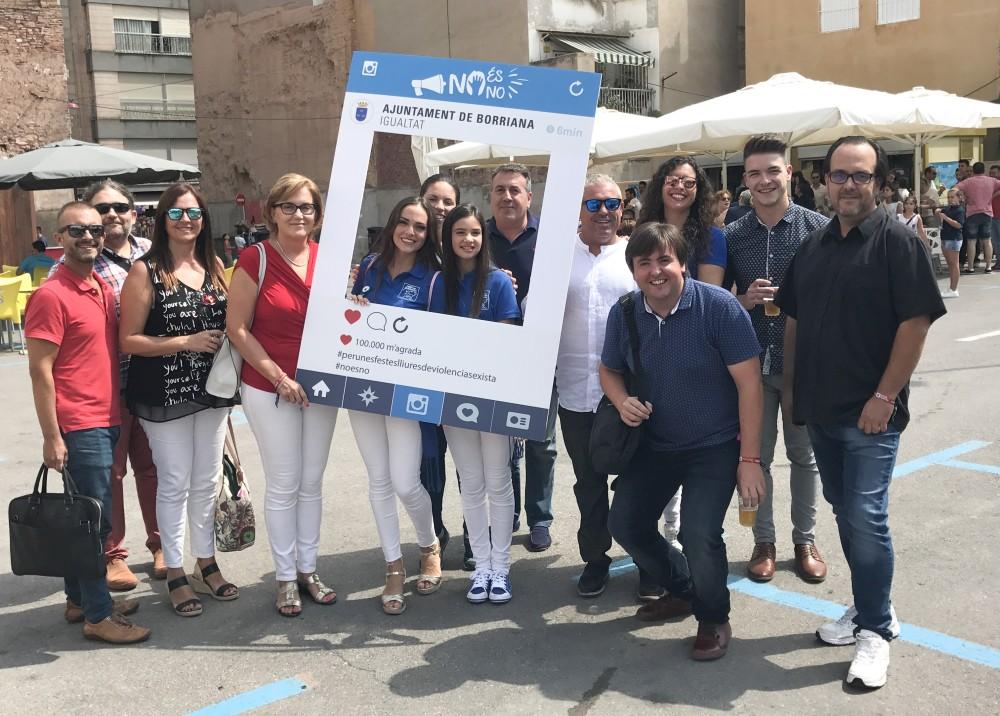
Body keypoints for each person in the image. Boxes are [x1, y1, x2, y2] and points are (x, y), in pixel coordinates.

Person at [777, 136, 946, 688]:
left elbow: (915, 322)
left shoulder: (898, 242)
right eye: (840, 175)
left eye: (861, 175)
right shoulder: (814, 245)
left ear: (879, 182)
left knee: (866, 518)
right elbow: (794, 321)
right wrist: (793, 392)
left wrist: (884, 397)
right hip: (821, 410)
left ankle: (875, 631)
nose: (849, 185)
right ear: (824, 181)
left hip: (871, 413)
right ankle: (870, 604)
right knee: (846, 512)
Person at [603, 222, 765, 662]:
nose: (655, 271)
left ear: (682, 265)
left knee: (698, 533)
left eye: (664, 260)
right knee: (626, 523)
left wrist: (750, 459)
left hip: (714, 444)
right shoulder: (625, 312)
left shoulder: (718, 307)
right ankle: (683, 589)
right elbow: (609, 369)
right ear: (633, 271)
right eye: (644, 263)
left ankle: (713, 617)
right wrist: (620, 400)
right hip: (655, 445)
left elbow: (750, 384)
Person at [25, 201, 150, 643]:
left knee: (82, 517)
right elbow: (40, 370)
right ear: (58, 237)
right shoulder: (51, 294)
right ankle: (99, 615)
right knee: (94, 524)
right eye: (76, 231)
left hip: (108, 414)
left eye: (95, 230)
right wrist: (51, 436)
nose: (89, 238)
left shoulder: (98, 285)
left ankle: (79, 599)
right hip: (81, 423)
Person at [119, 183, 239, 618]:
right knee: (173, 480)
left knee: (207, 479)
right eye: (176, 213)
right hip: (164, 391)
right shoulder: (145, 271)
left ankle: (206, 562)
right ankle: (174, 570)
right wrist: (185, 341)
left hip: (213, 389)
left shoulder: (215, 265)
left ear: (204, 220)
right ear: (162, 220)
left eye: (193, 213)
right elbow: (128, 339)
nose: (186, 220)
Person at [227, 174, 339, 618]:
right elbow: (237, 329)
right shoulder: (254, 258)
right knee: (284, 482)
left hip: (321, 387)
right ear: (272, 212)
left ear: (317, 214)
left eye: (307, 207)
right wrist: (278, 378)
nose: (298, 214)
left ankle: (308, 569)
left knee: (311, 482)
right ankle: (286, 577)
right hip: (269, 387)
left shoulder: (327, 258)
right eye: (289, 206)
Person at [725, 134, 828, 584]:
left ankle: (805, 540)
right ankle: (763, 541)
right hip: (750, 365)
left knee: (805, 457)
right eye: (754, 173)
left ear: (788, 172)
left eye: (772, 171)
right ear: (745, 180)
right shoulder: (732, 235)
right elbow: (715, 301)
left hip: (802, 364)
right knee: (756, 457)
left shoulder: (818, 229)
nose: (764, 181)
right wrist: (744, 299)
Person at [556, 175, 660, 602]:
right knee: (589, 483)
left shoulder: (636, 257)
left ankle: (648, 562)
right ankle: (595, 559)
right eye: (594, 204)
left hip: (631, 394)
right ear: (578, 209)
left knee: (639, 482)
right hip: (575, 392)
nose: (604, 212)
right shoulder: (556, 258)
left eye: (612, 203)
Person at [349, 196, 443, 615]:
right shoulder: (369, 266)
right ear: (392, 225)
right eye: (404, 222)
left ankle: (429, 544)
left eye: (420, 227)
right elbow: (348, 320)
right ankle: (393, 566)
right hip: (361, 388)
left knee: (405, 482)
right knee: (378, 481)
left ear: (428, 234)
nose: (410, 232)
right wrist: (351, 306)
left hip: (406, 392)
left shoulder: (434, 277)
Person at [430, 204, 519, 604]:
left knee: (498, 482)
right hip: (452, 399)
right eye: (460, 233)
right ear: (448, 238)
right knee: (471, 484)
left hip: (492, 396)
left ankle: (501, 567)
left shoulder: (498, 281)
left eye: (475, 233)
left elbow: (506, 338)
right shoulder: (438, 283)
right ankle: (481, 566)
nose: (469, 240)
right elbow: (430, 340)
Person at [80, 180, 161, 592]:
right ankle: (113, 554)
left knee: (154, 468)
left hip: (157, 380)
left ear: (133, 212)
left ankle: (161, 544)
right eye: (102, 208)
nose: (112, 214)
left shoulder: (153, 251)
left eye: (120, 206)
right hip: (109, 385)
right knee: (111, 473)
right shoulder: (82, 263)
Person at [486, 163, 557, 552]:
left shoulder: (551, 237)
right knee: (501, 441)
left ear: (529, 196)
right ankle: (507, 512)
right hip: (491, 354)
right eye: (500, 190)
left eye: (515, 190)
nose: (507, 196)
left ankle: (539, 517)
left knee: (540, 442)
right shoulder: (476, 236)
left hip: (540, 352)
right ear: (490, 196)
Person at [415, 173, 464, 562]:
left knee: (470, 462)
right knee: (429, 460)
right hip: (421, 373)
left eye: (448, 201)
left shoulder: (467, 245)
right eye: (433, 199)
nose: (441, 207)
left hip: (462, 372)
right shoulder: (411, 247)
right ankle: (435, 533)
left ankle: (475, 534)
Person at [639, 157, 727, 286]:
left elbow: (709, 293)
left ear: (698, 190)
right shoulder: (643, 232)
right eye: (672, 181)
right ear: (660, 186)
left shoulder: (711, 237)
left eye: (688, 183)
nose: (680, 187)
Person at [956, 161, 1000, 274]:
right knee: (987, 240)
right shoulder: (992, 181)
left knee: (971, 241)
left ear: (973, 171)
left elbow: (955, 188)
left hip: (972, 214)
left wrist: (963, 197)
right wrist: (993, 195)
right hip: (987, 213)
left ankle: (970, 267)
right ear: (984, 170)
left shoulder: (968, 181)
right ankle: (988, 267)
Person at [935, 189, 965, 298]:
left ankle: (954, 289)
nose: (950, 199)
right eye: (949, 197)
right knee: (950, 264)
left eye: (952, 197)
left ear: (959, 197)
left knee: (954, 264)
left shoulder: (960, 210)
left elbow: (959, 225)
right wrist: (937, 212)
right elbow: (939, 214)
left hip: (954, 239)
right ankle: (951, 288)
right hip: (945, 238)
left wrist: (946, 218)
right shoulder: (948, 208)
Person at [991, 165, 1000, 268]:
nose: (992, 175)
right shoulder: (991, 183)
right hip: (992, 215)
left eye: (994, 173)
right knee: (995, 241)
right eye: (991, 173)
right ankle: (998, 261)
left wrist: (992, 195)